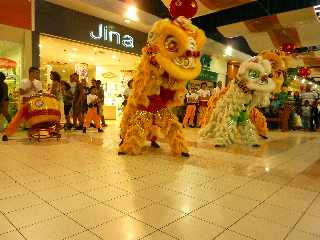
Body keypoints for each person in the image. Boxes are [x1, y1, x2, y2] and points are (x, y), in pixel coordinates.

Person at [2, 67, 42, 141]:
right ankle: (6, 134)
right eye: (36, 72)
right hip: (26, 102)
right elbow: (21, 92)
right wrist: (30, 88)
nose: (38, 74)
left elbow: (40, 94)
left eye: (38, 73)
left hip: (35, 102)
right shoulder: (24, 81)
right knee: (18, 119)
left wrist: (36, 90)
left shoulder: (38, 83)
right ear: (31, 73)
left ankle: (32, 133)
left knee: (35, 119)